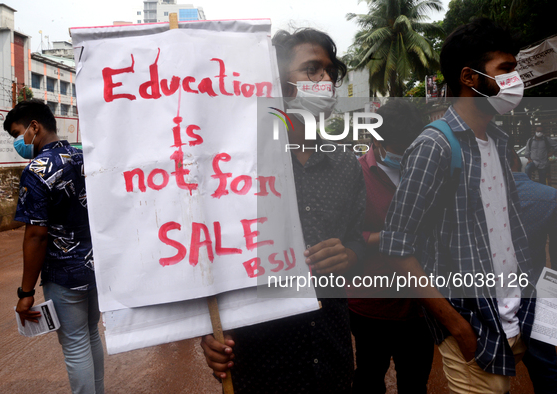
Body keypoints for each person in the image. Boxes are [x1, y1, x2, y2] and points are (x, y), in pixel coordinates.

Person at [200, 28, 366, 393]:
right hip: (261, 365)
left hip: (334, 361)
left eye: (330, 73)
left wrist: (351, 253)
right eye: (312, 69)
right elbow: (212, 258)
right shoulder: (236, 172)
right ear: (277, 82)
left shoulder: (346, 166)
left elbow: (360, 237)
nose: (325, 80)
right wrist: (208, 335)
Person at [380, 19, 535, 394]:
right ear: (469, 77)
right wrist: (456, 326)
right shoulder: (434, 146)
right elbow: (396, 247)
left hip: (512, 314)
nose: (516, 81)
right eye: (506, 70)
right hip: (473, 322)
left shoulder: (498, 140)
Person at [5, 99, 104, 394]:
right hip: (96, 267)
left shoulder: (36, 170)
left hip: (63, 276)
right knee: (91, 335)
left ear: (34, 127)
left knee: (75, 345)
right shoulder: (83, 157)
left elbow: (36, 235)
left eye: (17, 133)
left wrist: (26, 293)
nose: (18, 142)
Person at [347, 100, 433, 393]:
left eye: (411, 146)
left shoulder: (423, 172)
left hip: (420, 303)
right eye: (398, 146)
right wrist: (390, 237)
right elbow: (343, 237)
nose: (405, 154)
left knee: (415, 381)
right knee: (369, 378)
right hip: (372, 304)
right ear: (377, 140)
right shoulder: (354, 176)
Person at [509, 142, 557, 394]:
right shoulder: (550, 196)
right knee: (547, 367)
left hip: (490, 298)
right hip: (538, 293)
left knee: (492, 371)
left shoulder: (472, 197)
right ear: (517, 161)